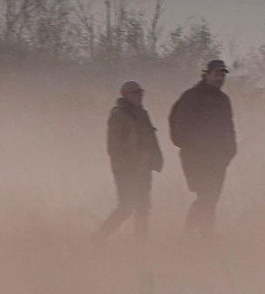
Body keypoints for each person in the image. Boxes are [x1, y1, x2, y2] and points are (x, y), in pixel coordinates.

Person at [169, 59, 236, 237]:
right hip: (195, 158)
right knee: (206, 196)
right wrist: (191, 146)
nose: (219, 78)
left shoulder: (223, 100)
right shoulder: (191, 97)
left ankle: (206, 237)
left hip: (218, 159)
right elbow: (177, 125)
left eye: (222, 75)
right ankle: (190, 234)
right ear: (206, 75)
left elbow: (229, 127)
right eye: (216, 74)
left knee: (211, 198)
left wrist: (230, 151)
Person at [93, 80, 162, 242]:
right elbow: (113, 145)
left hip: (144, 168)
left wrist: (155, 159)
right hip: (126, 170)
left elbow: (150, 139)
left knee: (143, 209)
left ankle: (140, 245)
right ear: (126, 95)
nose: (139, 96)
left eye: (141, 93)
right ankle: (99, 236)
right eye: (135, 93)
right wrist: (123, 165)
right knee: (126, 207)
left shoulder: (143, 114)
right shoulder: (119, 115)